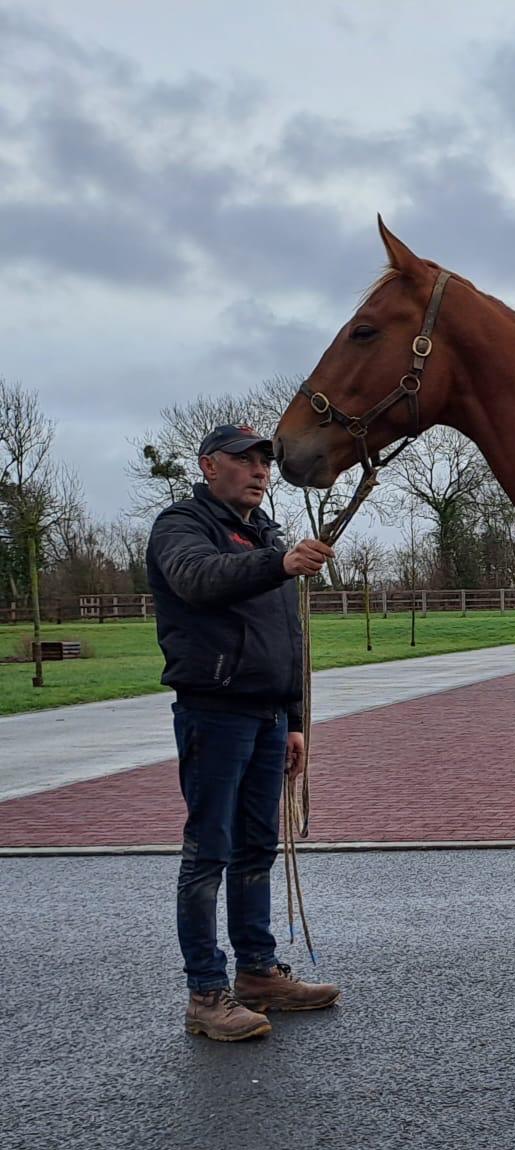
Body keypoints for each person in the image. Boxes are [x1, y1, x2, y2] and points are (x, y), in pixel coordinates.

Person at [146, 423, 340, 1040]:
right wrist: (278, 563)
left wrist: (295, 720)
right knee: (209, 852)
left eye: (264, 461)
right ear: (208, 466)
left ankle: (258, 973)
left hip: (267, 716)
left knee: (258, 848)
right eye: (244, 460)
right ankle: (206, 993)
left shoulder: (266, 534)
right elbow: (198, 579)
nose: (259, 470)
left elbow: (290, 639)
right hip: (214, 710)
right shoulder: (182, 525)